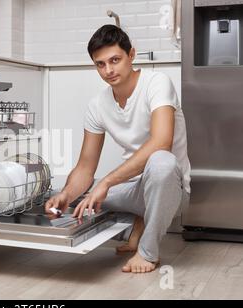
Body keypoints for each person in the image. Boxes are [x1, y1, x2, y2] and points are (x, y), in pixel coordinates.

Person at [45, 25, 191, 274]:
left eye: (115, 60)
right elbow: (85, 167)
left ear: (131, 55)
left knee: (161, 162)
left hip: (171, 189)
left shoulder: (157, 83)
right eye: (100, 64)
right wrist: (67, 195)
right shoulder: (97, 105)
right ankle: (137, 224)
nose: (109, 70)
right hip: (133, 190)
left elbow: (161, 142)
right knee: (77, 196)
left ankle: (147, 252)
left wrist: (107, 182)